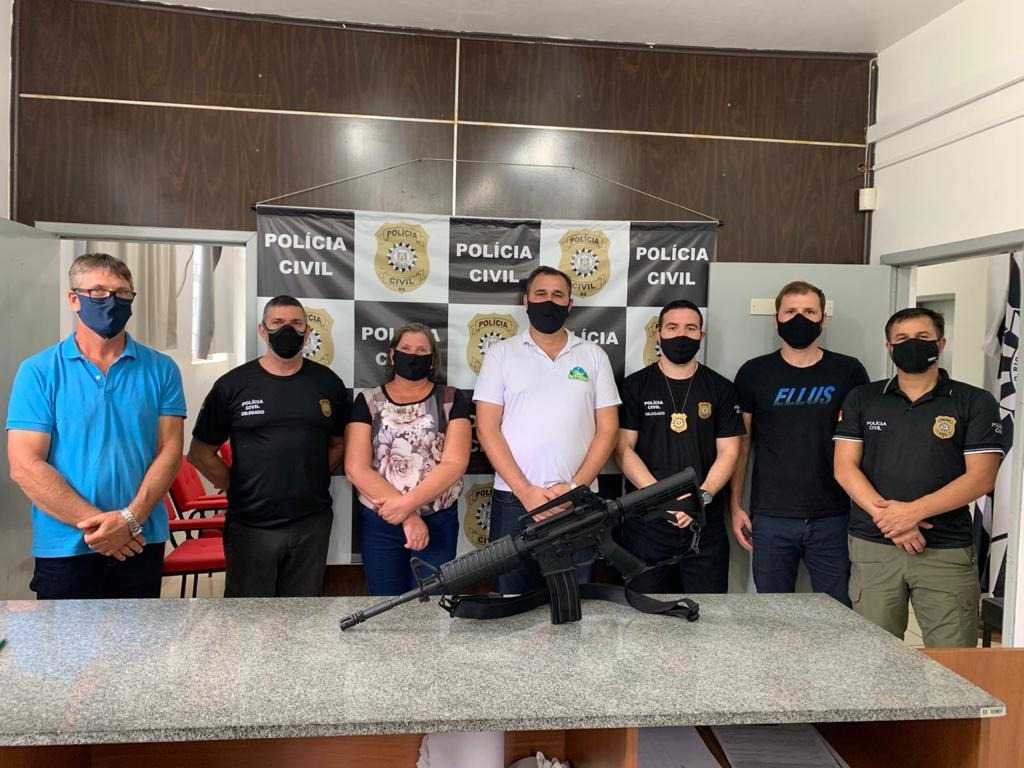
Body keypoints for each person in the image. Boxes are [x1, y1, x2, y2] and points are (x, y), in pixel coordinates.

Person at [7, 253, 186, 599]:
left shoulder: (161, 369)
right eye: (98, 292)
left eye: (122, 294)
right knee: (66, 636)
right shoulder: (39, 371)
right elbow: (25, 464)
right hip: (66, 547)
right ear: (74, 299)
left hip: (140, 540)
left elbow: (170, 450)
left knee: (141, 635)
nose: (111, 302)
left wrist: (130, 520)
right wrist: (104, 528)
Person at [834, 307, 1006, 647]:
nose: (912, 344)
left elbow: (982, 478)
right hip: (874, 545)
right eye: (902, 338)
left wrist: (913, 513)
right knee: (875, 654)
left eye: (922, 337)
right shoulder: (863, 398)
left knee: (954, 657)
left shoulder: (974, 401)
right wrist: (891, 520)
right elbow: (844, 467)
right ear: (889, 347)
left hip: (944, 549)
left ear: (941, 343)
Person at [189, 295, 350, 598]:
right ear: (263, 330)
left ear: (307, 332)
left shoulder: (328, 383)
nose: (287, 330)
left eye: (296, 323)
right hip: (251, 526)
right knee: (249, 617)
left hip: (311, 524)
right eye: (278, 323)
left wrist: (310, 473)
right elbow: (200, 453)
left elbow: (340, 443)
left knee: (303, 614)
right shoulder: (232, 385)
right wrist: (237, 485)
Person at [474, 266, 620, 595]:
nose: (549, 302)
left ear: (570, 304)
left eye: (558, 295)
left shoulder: (593, 355)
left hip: (578, 501)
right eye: (541, 294)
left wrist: (574, 489)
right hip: (514, 500)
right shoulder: (501, 354)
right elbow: (487, 428)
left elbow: (608, 430)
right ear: (526, 301)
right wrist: (526, 491)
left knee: (574, 601)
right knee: (512, 601)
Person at [730, 281, 869, 605]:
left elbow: (863, 443)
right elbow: (742, 446)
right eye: (790, 311)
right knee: (774, 612)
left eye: (809, 311)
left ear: (823, 318)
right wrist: (735, 506)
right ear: (776, 318)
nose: (799, 319)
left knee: (838, 611)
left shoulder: (848, 371)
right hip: (771, 516)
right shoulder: (754, 372)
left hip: (834, 515)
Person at [616, 299, 743, 593]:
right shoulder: (635, 386)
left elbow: (730, 452)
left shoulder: (721, 388)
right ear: (658, 333)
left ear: (701, 335)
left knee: (708, 613)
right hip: (646, 523)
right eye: (672, 327)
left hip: (703, 523)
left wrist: (699, 498)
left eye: (690, 328)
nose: (681, 335)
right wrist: (661, 498)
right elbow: (622, 450)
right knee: (644, 613)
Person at [345, 323, 471, 596]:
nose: (413, 356)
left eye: (422, 351)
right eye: (406, 349)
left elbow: (455, 463)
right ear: (392, 356)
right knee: (385, 604)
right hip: (381, 522)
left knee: (432, 606)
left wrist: (408, 505)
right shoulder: (368, 400)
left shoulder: (451, 399)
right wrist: (408, 517)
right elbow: (356, 468)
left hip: (438, 521)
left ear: (432, 360)